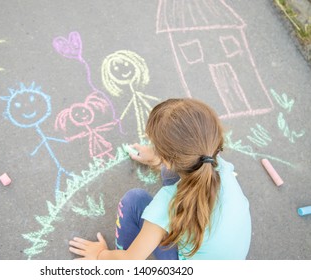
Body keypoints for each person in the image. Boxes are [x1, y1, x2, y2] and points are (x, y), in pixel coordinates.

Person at [68, 98, 252, 260]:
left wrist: (100, 255)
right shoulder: (214, 163)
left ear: (170, 160)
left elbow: (130, 261)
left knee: (134, 201)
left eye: (157, 147)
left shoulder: (167, 204)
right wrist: (160, 159)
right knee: (168, 174)